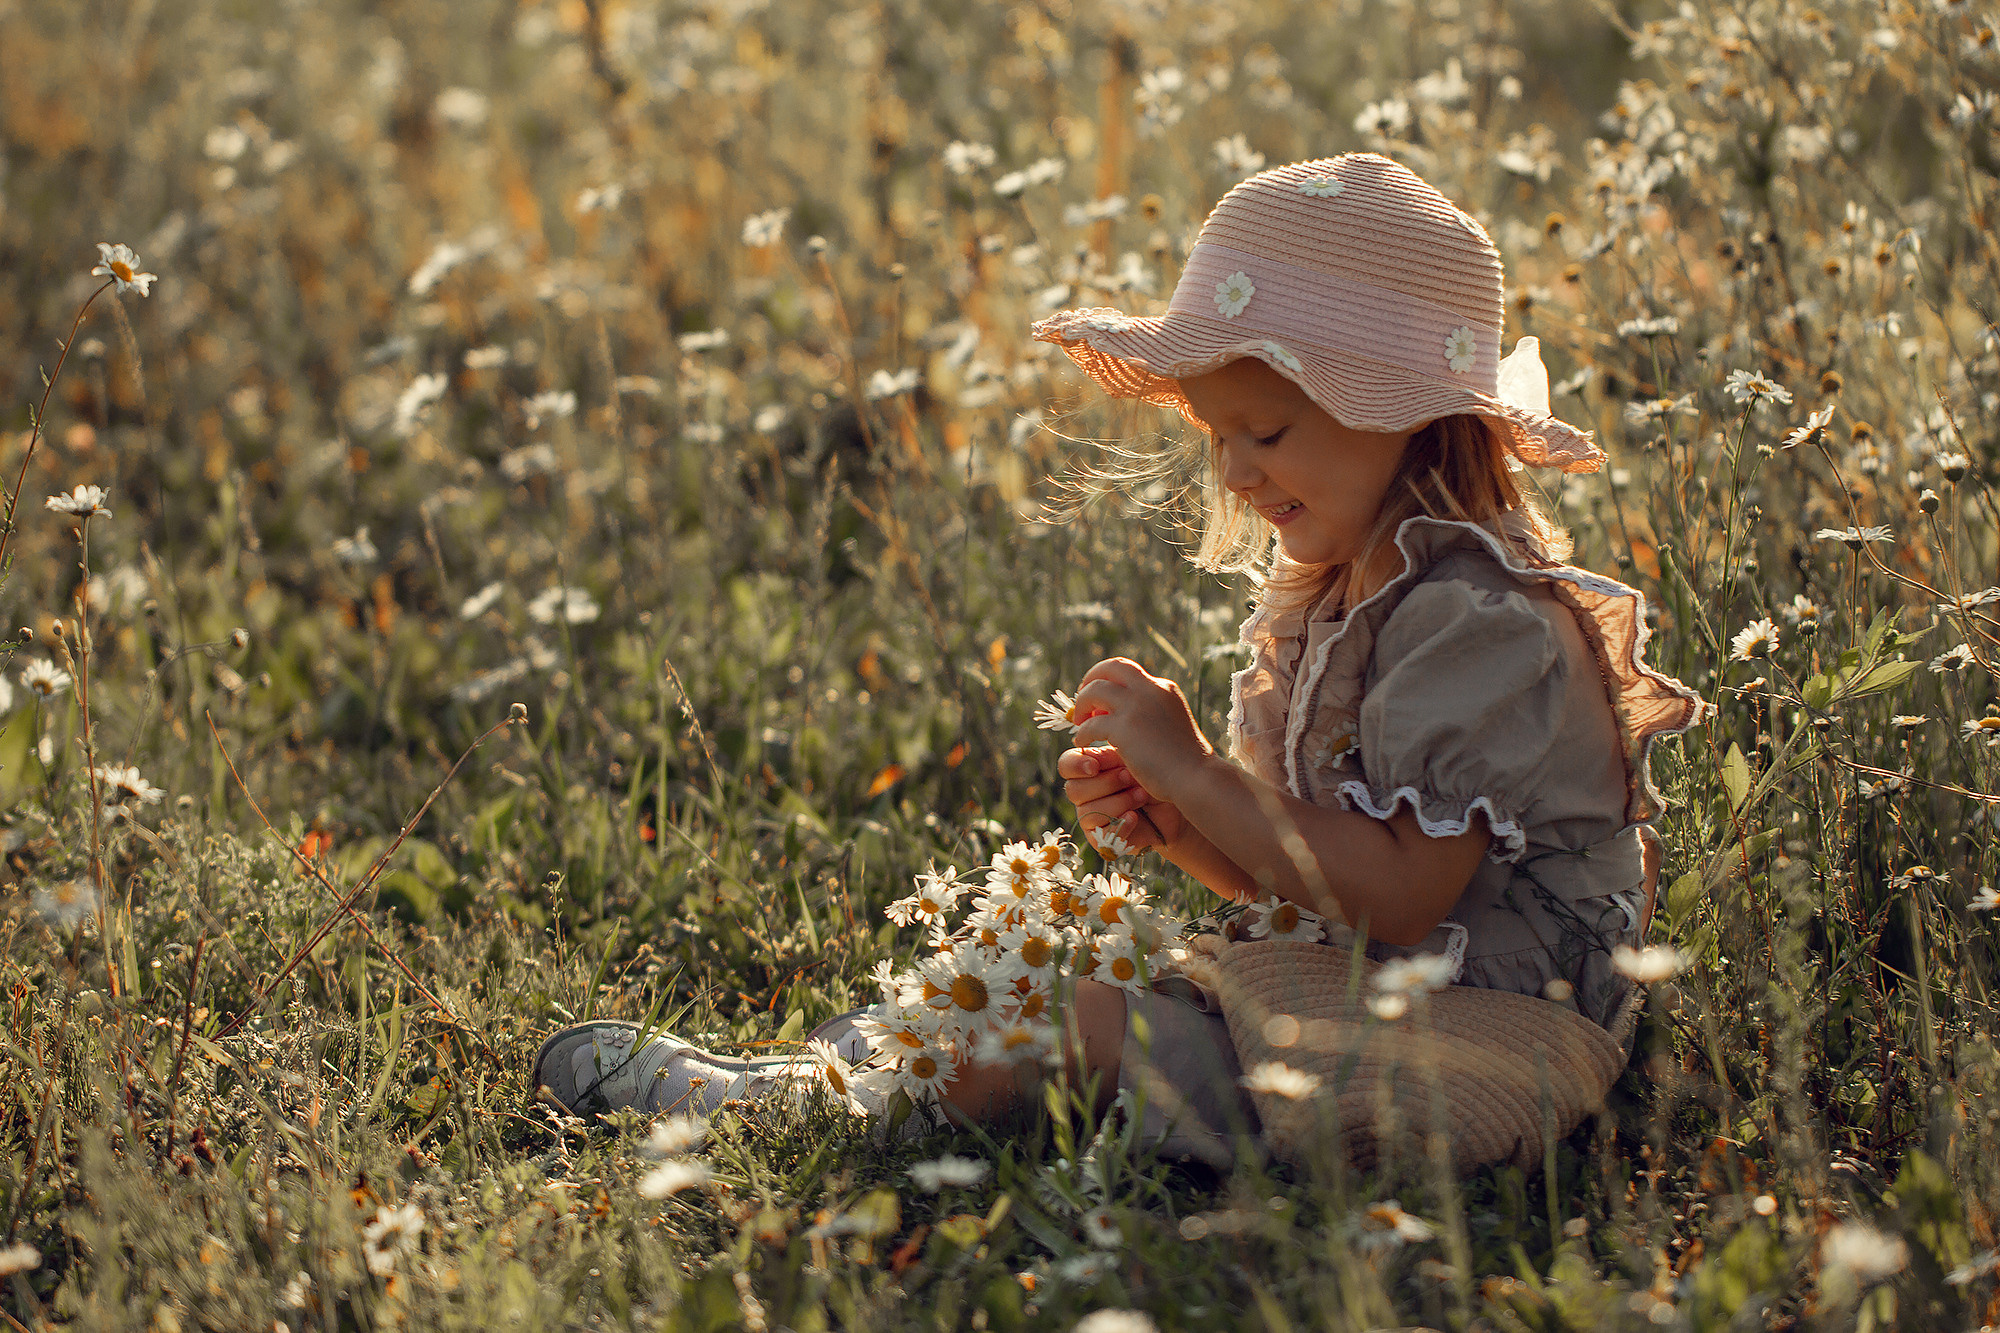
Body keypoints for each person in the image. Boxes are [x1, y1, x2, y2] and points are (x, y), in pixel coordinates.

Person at [531, 155, 1703, 1157]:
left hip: (1489, 1038)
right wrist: (1185, 826)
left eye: (1269, 431)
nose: (1235, 474)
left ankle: (810, 1109)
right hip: (1394, 987)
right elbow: (1313, 887)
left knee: (1081, 1031)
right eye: (1215, 437)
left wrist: (1202, 776)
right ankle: (875, 1065)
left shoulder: (1474, 622)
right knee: (1063, 994)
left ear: (1404, 412)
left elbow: (1397, 895)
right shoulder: (1357, 592)